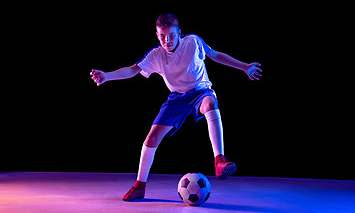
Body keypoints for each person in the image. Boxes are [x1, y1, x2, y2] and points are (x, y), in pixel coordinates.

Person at [90, 14, 262, 201]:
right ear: (157, 35)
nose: (167, 40)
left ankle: (219, 160)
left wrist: (244, 66)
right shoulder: (156, 55)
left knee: (211, 103)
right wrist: (107, 76)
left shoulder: (193, 42)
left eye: (171, 35)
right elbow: (133, 70)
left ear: (179, 33)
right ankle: (139, 186)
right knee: (152, 137)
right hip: (177, 99)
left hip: (200, 91)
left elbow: (216, 55)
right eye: (162, 36)